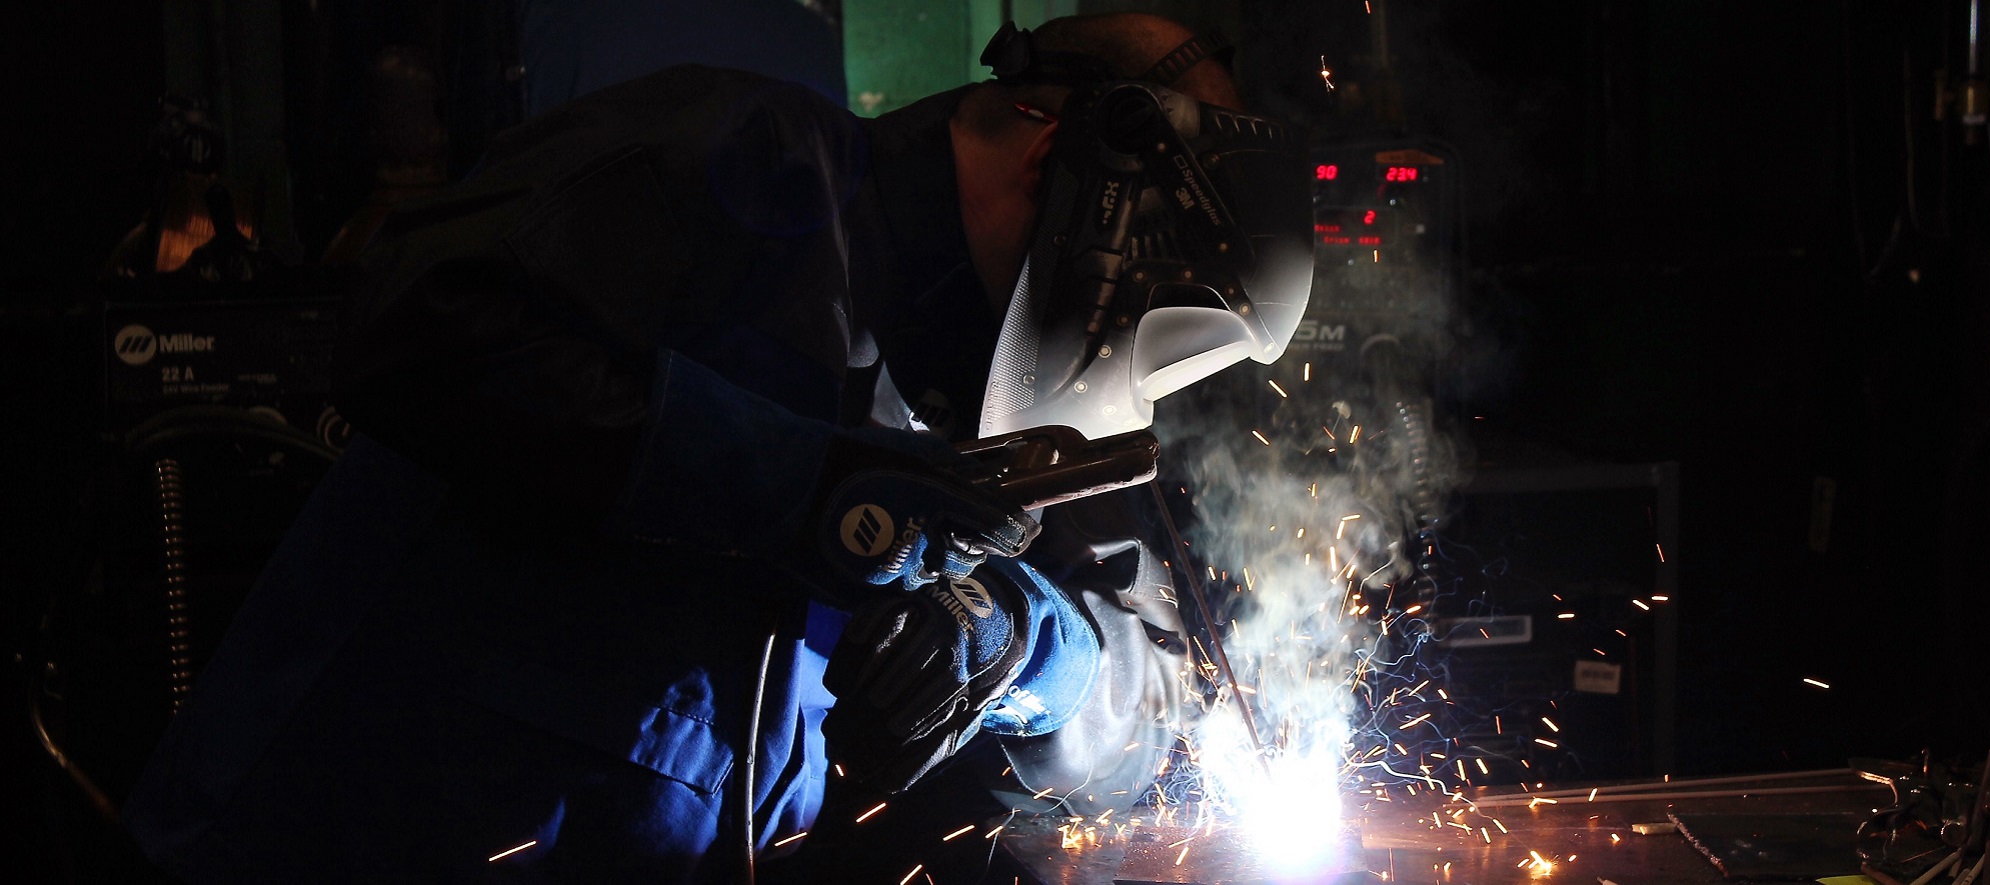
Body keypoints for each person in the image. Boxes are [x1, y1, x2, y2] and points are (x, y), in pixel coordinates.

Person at [123, 12, 1311, 883]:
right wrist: (790, 485)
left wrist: (1018, 646)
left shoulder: (1005, 402)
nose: (1116, 377)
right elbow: (419, 326)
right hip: (338, 840)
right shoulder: (742, 162)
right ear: (1069, 170)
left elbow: (1150, 689)